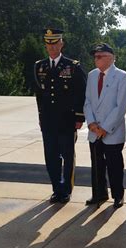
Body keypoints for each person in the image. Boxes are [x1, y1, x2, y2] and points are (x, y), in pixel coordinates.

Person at [33, 28, 86, 203]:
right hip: (48, 120)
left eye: (55, 43)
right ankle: (56, 188)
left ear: (61, 43)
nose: (52, 47)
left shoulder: (72, 66)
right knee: (51, 156)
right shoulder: (39, 66)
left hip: (66, 119)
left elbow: (81, 92)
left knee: (67, 155)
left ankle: (66, 189)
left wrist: (79, 117)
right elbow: (39, 95)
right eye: (48, 43)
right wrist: (41, 116)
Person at [84, 43, 126, 209]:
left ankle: (118, 196)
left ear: (111, 57)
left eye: (99, 56)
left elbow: (121, 105)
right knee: (96, 164)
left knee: (114, 166)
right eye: (95, 56)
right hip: (94, 130)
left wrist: (105, 128)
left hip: (112, 131)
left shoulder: (122, 76)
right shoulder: (92, 75)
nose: (96, 59)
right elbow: (88, 101)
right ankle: (99, 193)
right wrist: (91, 123)